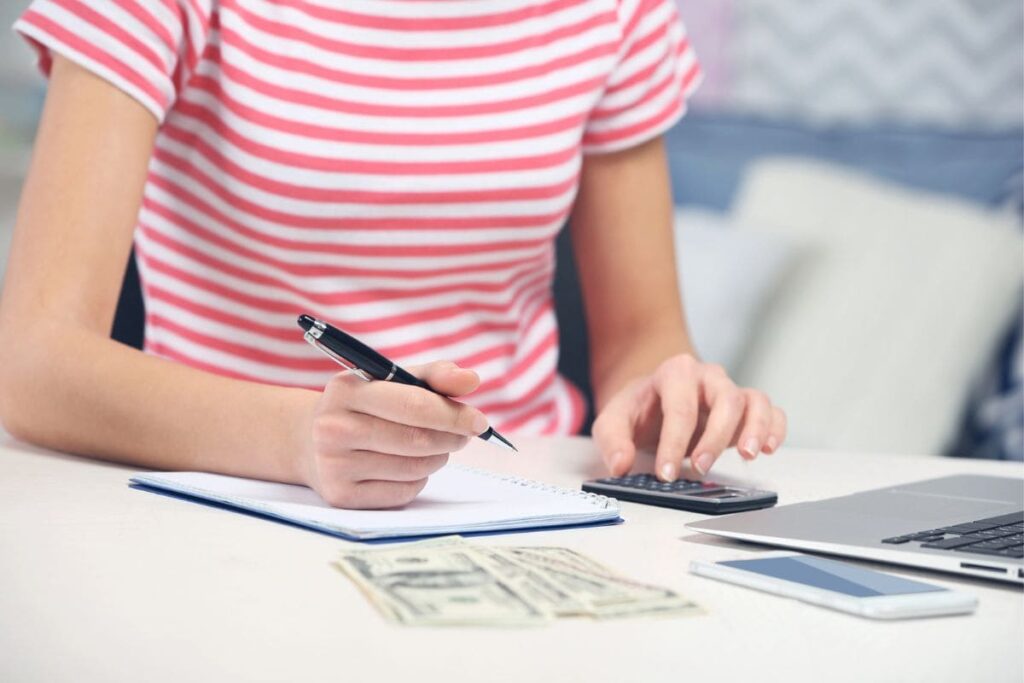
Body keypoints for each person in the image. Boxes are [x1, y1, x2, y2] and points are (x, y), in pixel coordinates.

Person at [0, 0, 786, 509]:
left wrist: (661, 393)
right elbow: (34, 361)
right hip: (229, 503)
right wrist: (298, 438)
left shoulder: (615, 12)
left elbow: (641, 338)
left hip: (536, 506)